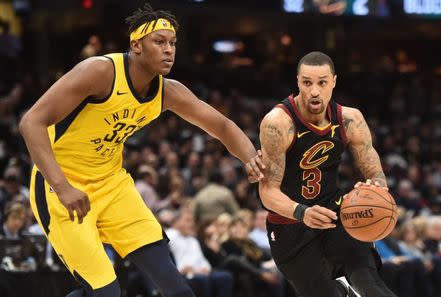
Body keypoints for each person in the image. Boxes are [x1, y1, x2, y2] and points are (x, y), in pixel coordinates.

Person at [18, 4, 265, 297]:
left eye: (172, 43)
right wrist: (61, 186)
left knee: (179, 290)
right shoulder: (100, 71)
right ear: (136, 45)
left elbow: (222, 126)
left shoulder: (168, 91)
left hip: (112, 185)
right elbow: (31, 121)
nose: (169, 50)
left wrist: (252, 158)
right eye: (159, 42)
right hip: (60, 184)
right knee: (106, 292)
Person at [258, 51, 397, 297]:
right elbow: (267, 193)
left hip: (336, 215)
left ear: (333, 81)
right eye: (307, 82)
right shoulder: (278, 123)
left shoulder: (350, 119)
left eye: (322, 82)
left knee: (372, 287)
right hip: (290, 227)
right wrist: (303, 212)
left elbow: (374, 171)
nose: (314, 91)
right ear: (298, 81)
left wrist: (376, 188)